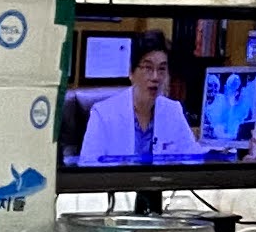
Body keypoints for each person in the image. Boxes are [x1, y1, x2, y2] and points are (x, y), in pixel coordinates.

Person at [74, 41, 207, 165]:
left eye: (161, 69)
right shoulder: (103, 113)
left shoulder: (173, 110)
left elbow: (194, 159)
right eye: (148, 68)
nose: (155, 77)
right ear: (131, 73)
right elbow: (88, 165)